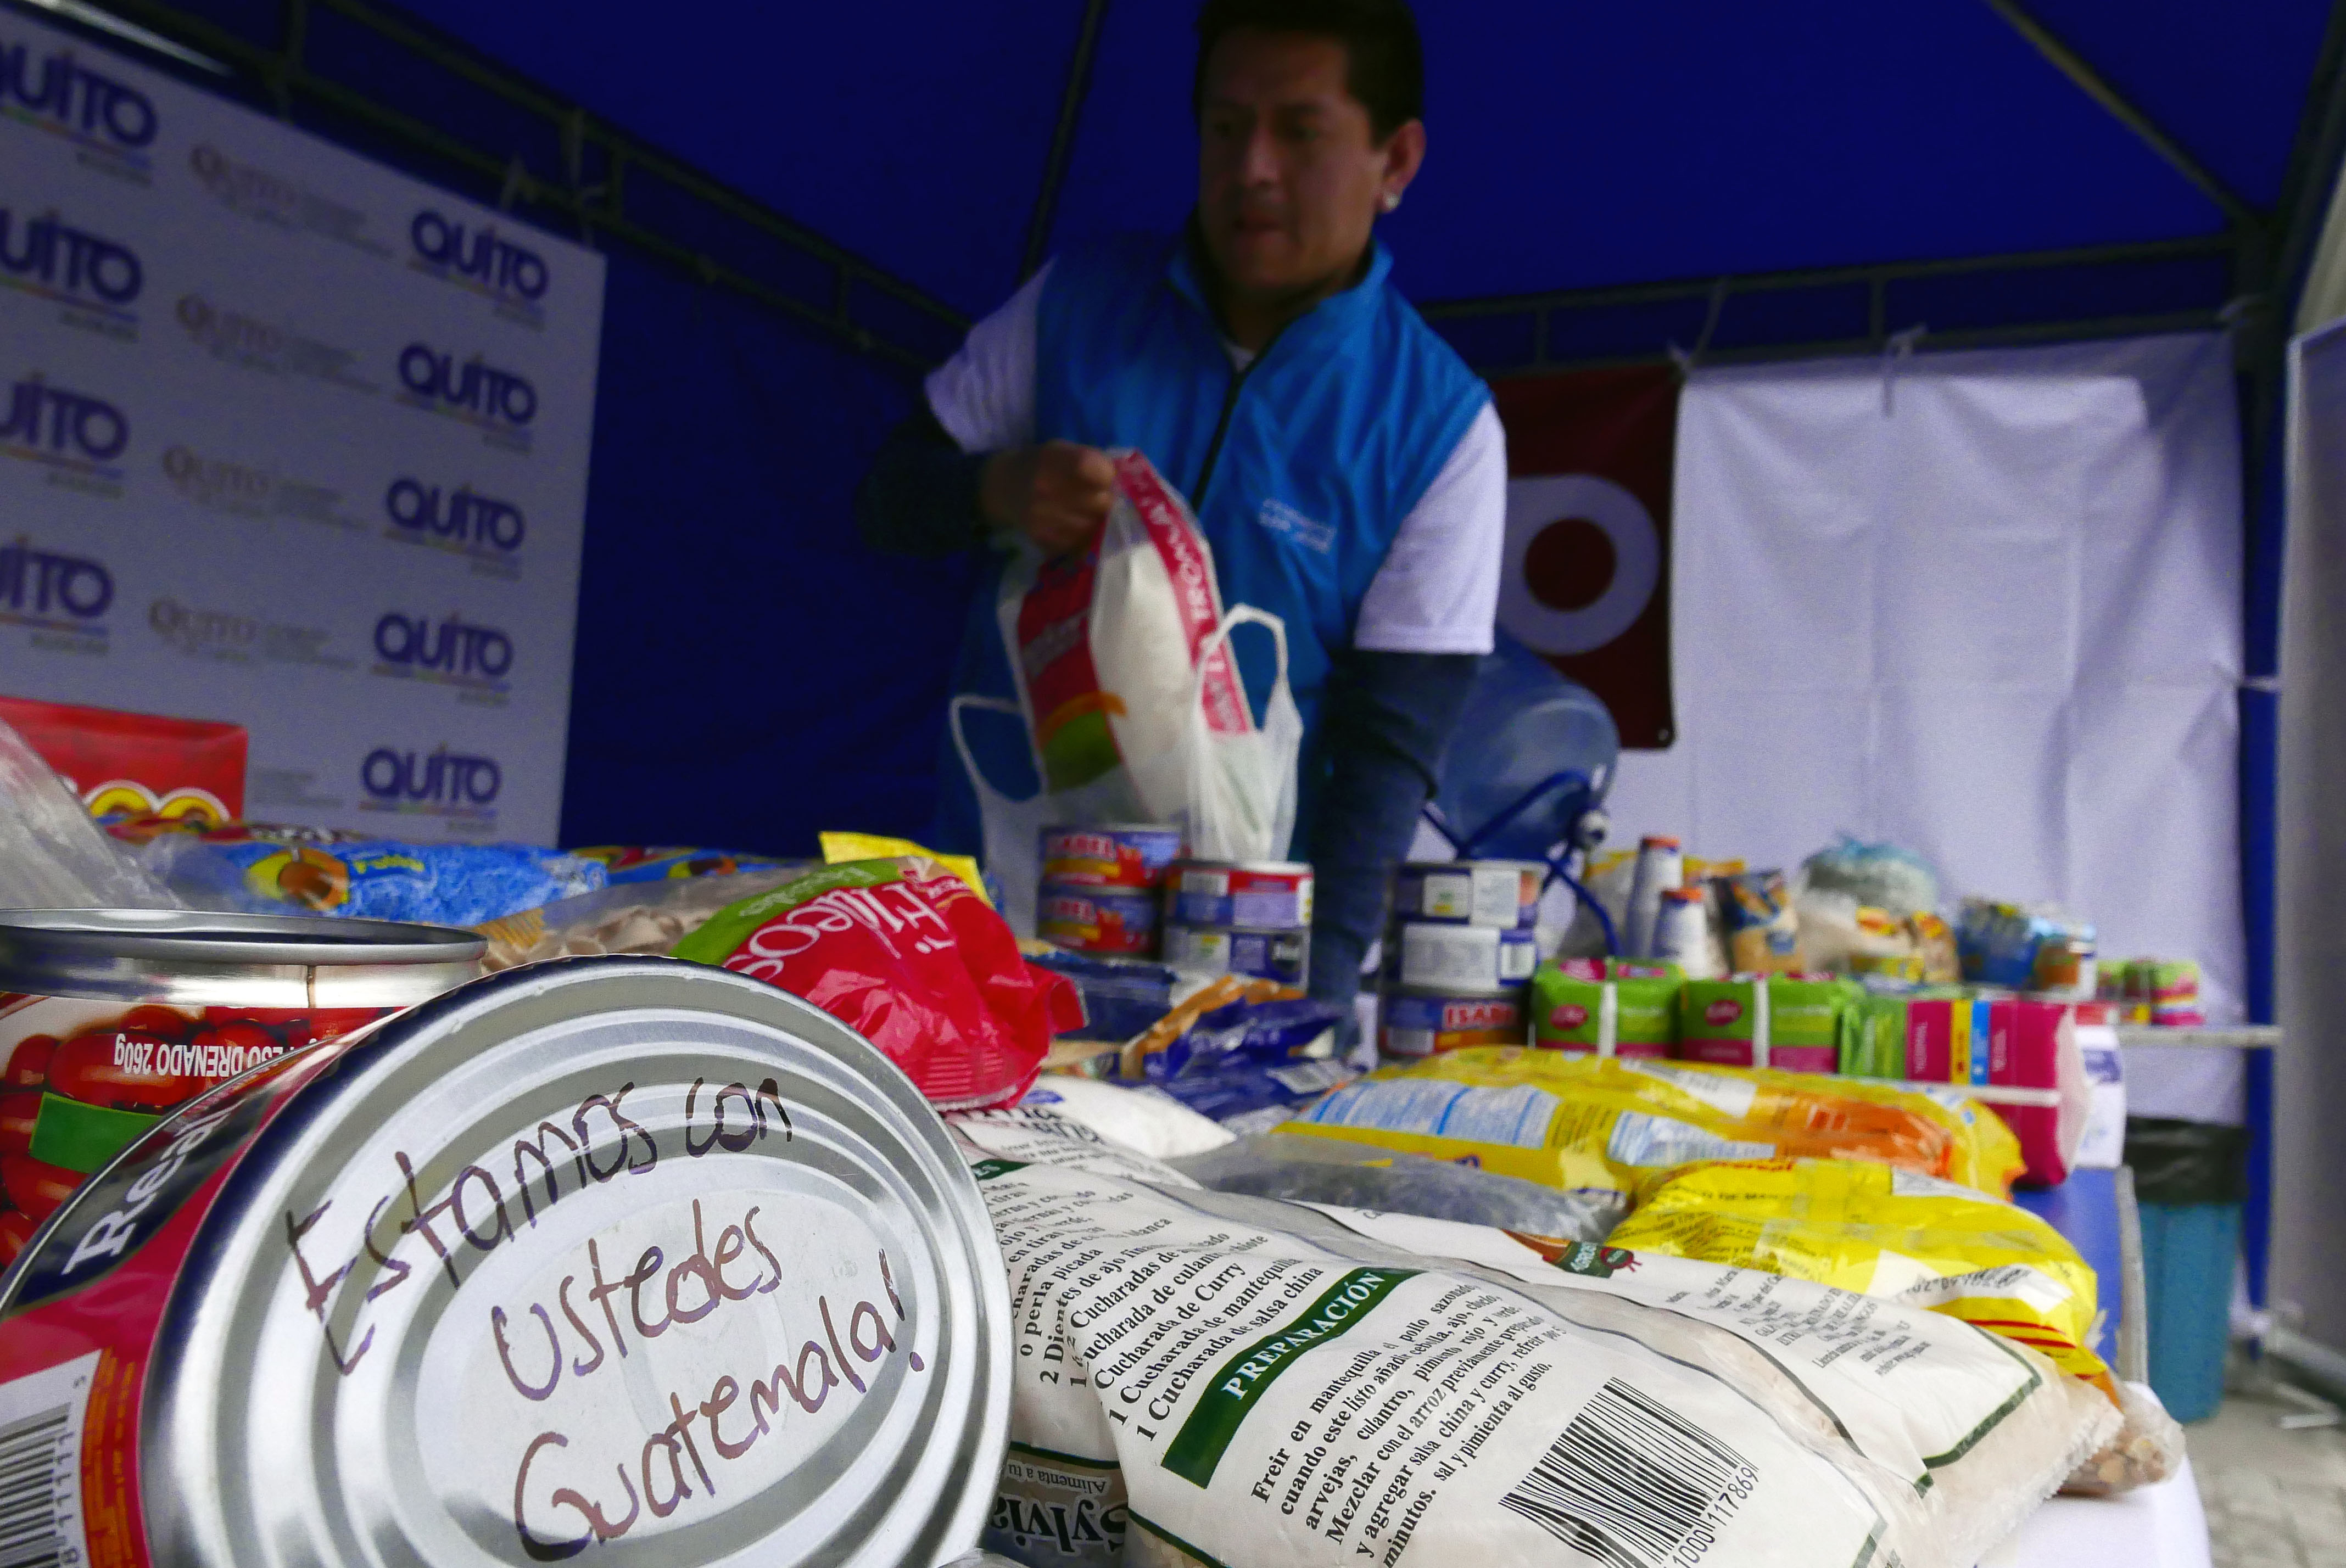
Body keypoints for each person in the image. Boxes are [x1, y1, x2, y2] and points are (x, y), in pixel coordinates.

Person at [856, 0, 1503, 1017]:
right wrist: (994, 488)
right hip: (1000, 906)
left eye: (1300, 130)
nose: (1251, 168)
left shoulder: (1440, 425)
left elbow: (1390, 754)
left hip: (1233, 956)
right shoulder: (1077, 305)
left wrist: (1316, 1005)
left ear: (1397, 162)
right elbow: (887, 497)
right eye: (1223, 126)